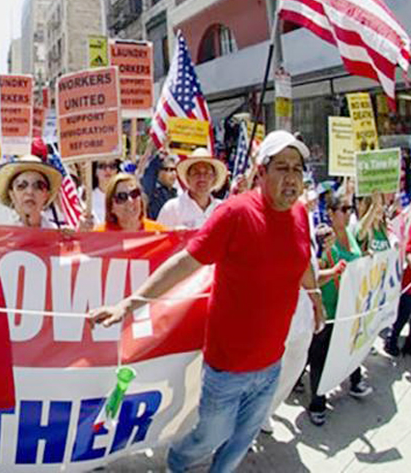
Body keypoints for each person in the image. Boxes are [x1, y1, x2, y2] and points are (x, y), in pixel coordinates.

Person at [89, 131, 325, 473]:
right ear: (261, 172)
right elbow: (184, 263)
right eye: (282, 168)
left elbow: (301, 257)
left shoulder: (300, 215)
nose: (291, 178)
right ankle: (178, 463)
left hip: (272, 362)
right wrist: (128, 305)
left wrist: (315, 294)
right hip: (227, 367)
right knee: (209, 436)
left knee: (242, 439)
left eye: (297, 170)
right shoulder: (234, 214)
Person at [307, 192, 373, 425]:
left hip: (349, 309)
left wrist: (366, 258)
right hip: (327, 312)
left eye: (349, 209)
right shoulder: (325, 240)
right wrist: (334, 272)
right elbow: (314, 278)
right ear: (330, 213)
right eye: (343, 209)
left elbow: (357, 260)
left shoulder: (352, 235)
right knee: (319, 360)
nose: (348, 213)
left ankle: (354, 382)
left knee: (348, 350)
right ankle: (317, 404)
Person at [157, 148, 227, 229]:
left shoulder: (222, 209)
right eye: (196, 173)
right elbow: (158, 238)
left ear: (214, 178)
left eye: (207, 173)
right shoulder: (172, 209)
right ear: (188, 177)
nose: (202, 177)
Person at [96, 173, 166, 232]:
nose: (130, 201)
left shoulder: (159, 233)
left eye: (134, 194)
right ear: (111, 206)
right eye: (122, 196)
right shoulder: (100, 235)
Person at [141, 152, 178, 220]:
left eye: (175, 170)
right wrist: (160, 156)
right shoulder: (154, 193)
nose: (173, 174)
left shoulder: (176, 194)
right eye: (168, 170)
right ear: (159, 173)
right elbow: (149, 175)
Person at [91, 159, 121, 223]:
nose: (108, 170)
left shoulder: (125, 196)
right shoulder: (86, 197)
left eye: (112, 166)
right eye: (102, 166)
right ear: (95, 171)